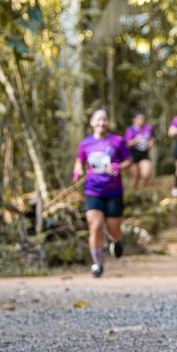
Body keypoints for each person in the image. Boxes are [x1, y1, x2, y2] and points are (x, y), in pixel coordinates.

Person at [72, 108, 132, 277]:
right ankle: (97, 264)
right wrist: (77, 170)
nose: (101, 123)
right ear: (92, 121)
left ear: (108, 122)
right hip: (93, 190)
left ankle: (116, 240)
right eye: (98, 119)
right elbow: (80, 160)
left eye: (104, 119)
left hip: (113, 191)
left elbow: (128, 160)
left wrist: (118, 166)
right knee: (95, 226)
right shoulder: (86, 143)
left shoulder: (117, 141)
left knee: (113, 228)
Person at [124, 112, 155, 190]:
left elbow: (152, 137)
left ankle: (144, 190)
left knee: (146, 174)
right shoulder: (130, 130)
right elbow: (127, 144)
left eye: (142, 118)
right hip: (133, 154)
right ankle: (135, 192)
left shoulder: (148, 128)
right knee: (135, 176)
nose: (140, 120)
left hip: (144, 153)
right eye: (138, 118)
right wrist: (135, 140)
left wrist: (151, 142)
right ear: (134, 120)